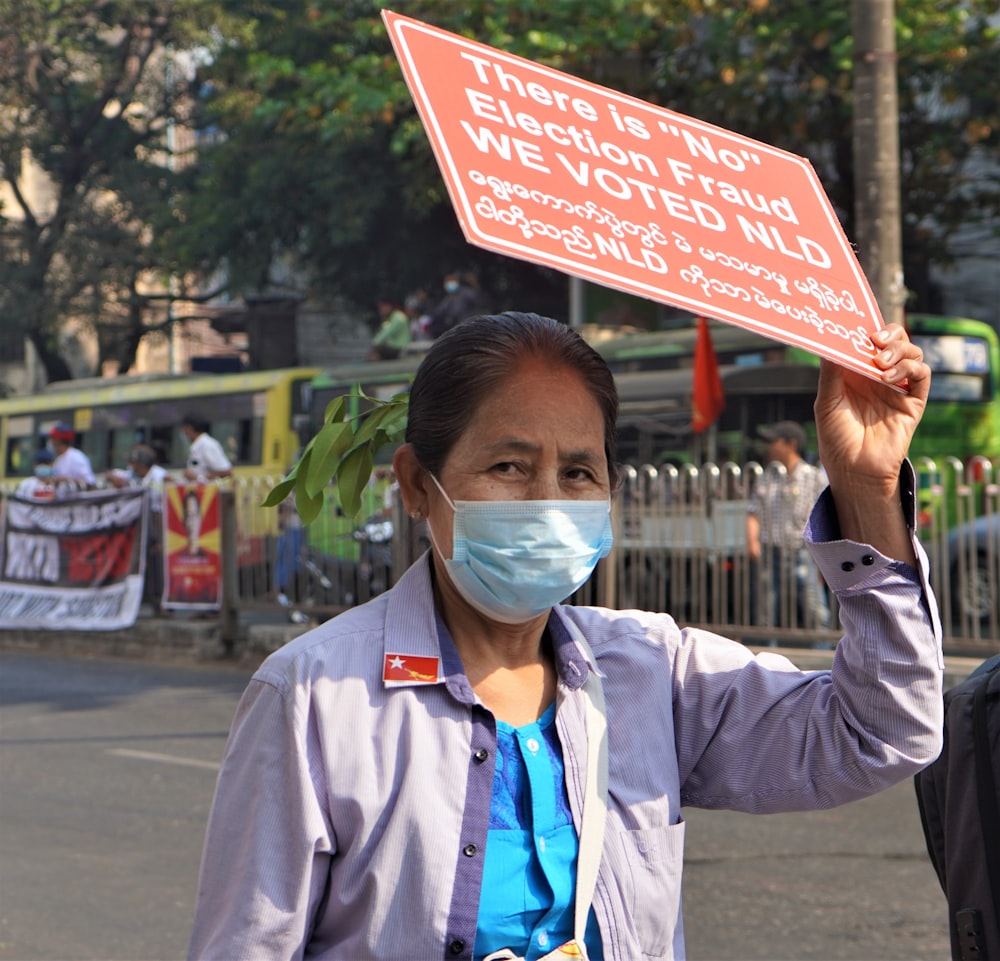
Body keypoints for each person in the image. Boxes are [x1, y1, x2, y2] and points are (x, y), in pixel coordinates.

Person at [188, 312, 943, 961]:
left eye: (580, 472)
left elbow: (881, 732)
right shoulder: (314, 696)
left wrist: (867, 490)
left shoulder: (653, 670)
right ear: (418, 484)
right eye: (509, 465)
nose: (548, 501)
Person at [746, 420, 832, 638]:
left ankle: (821, 651)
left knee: (814, 607)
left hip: (801, 551)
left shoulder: (812, 476)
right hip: (770, 550)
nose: (769, 447)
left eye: (774, 441)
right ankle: (767, 653)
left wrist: (825, 555)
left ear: (791, 444)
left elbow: (826, 515)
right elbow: (754, 511)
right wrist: (752, 541)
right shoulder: (767, 476)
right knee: (766, 608)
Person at [107, 445, 169, 610]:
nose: (133, 467)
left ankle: (162, 601)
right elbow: (114, 475)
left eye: (135, 464)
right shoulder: (133, 476)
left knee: (160, 561)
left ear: (143, 465)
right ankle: (144, 599)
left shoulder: (159, 475)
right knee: (142, 560)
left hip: (159, 519)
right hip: (142, 521)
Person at [428, 270, 481, 339]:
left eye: (452, 281)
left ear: (457, 281)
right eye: (447, 281)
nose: (450, 283)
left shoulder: (465, 292)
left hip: (470, 329)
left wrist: (474, 284)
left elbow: (478, 299)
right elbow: (438, 313)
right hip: (456, 332)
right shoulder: (447, 300)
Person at [180, 415, 232, 482]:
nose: (183, 433)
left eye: (183, 429)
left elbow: (226, 471)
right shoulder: (196, 446)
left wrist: (199, 478)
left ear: (189, 429)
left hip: (209, 491)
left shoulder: (207, 445)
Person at [48, 422, 96, 489]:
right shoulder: (58, 459)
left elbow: (90, 484)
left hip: (76, 498)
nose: (51, 443)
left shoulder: (77, 457)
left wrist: (68, 480)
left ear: (58, 441)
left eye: (53, 439)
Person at [367, 297, 413, 361]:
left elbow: (387, 333)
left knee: (378, 350)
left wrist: (375, 344)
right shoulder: (389, 318)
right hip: (394, 347)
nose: (381, 310)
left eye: (383, 307)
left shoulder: (398, 317)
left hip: (401, 347)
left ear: (389, 306)